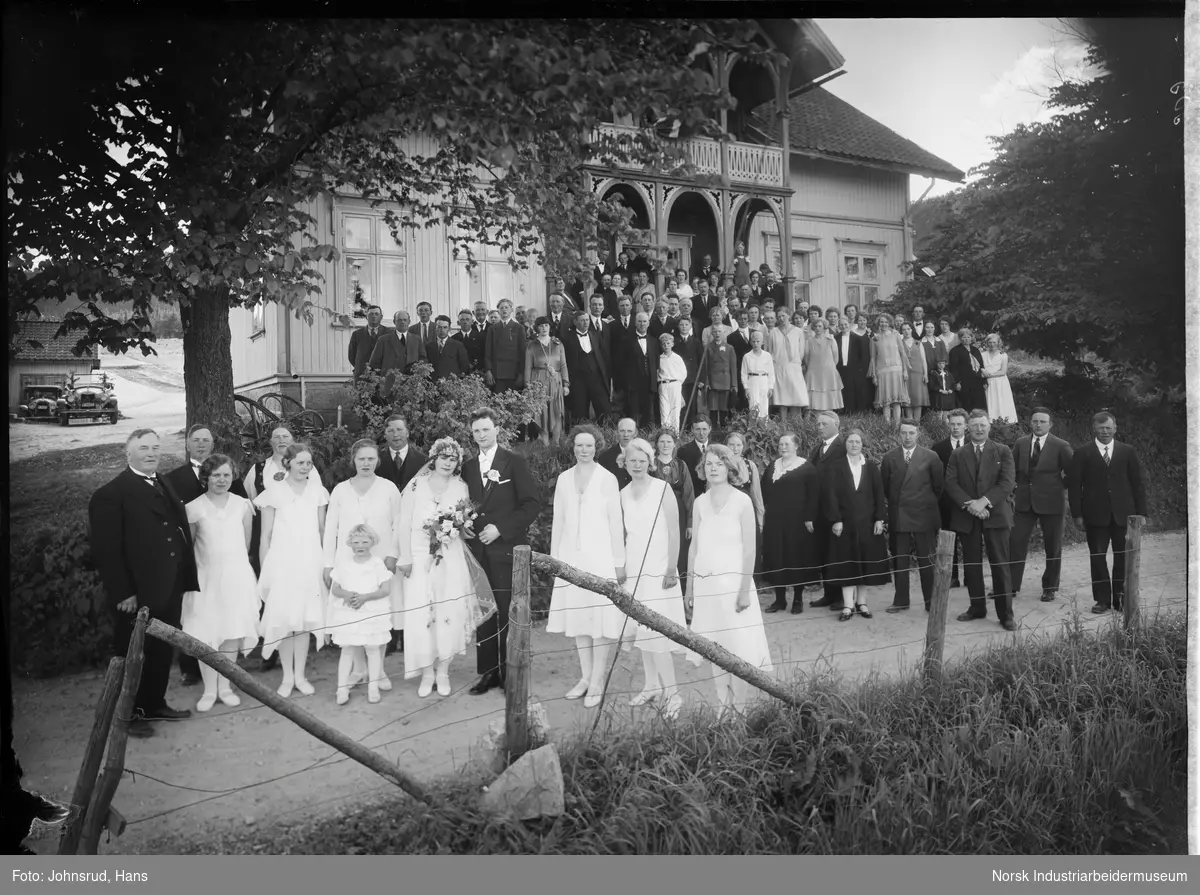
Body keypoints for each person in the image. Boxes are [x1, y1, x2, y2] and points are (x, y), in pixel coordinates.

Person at [89, 429, 199, 738]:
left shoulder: (164, 481)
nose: (151, 453)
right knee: (133, 651)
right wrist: (123, 592)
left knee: (162, 649)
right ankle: (129, 713)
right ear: (128, 454)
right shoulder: (111, 494)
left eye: (155, 447)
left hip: (169, 583)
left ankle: (154, 703)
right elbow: (106, 550)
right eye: (143, 448)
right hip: (138, 591)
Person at [397, 438, 490, 697]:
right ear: (434, 458)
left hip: (449, 555)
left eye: (453, 459)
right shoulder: (416, 485)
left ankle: (443, 672)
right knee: (422, 613)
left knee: (449, 611)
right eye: (443, 457)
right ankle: (427, 673)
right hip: (418, 555)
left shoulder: (461, 487)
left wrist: (459, 527)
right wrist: (405, 556)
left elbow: (465, 523)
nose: (448, 463)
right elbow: (404, 522)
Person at [686, 445, 773, 714]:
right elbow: (694, 547)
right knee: (714, 646)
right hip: (706, 585)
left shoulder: (742, 501)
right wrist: (689, 588)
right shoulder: (700, 502)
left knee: (738, 648)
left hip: (735, 586)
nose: (713, 468)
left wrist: (745, 589)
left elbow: (750, 549)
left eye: (719, 464)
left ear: (729, 468)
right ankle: (723, 708)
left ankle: (741, 708)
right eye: (709, 463)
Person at [463, 408, 542, 695]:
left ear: (497, 430)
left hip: (507, 550)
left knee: (510, 611)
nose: (481, 435)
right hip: (479, 554)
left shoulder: (513, 462)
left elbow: (532, 503)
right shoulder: (469, 467)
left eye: (486, 429)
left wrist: (501, 528)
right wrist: (464, 527)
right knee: (485, 612)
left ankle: (511, 672)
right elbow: (466, 506)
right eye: (476, 431)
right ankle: (489, 672)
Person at [547, 425, 627, 709]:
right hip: (571, 557)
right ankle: (584, 677)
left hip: (600, 557)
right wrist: (555, 559)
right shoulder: (564, 479)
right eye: (579, 445)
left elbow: (616, 523)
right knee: (580, 620)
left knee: (600, 621)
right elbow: (559, 520)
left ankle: (597, 681)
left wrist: (619, 562)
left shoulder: (607, 479)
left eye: (589, 445)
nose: (584, 450)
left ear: (597, 447)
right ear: (573, 447)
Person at [322, 438, 402, 692]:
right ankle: (359, 669)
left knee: (375, 615)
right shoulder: (340, 491)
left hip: (379, 563)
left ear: (377, 460)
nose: (366, 463)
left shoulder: (389, 488)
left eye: (370, 458)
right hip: (347, 562)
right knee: (351, 615)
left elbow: (398, 525)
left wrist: (392, 554)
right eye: (361, 459)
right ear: (353, 460)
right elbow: (330, 529)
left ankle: (377, 672)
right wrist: (327, 564)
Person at [181, 454, 260, 712]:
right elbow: (190, 548)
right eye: (216, 475)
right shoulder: (193, 508)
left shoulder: (242, 505)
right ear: (206, 477)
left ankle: (225, 687)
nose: (222, 480)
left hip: (236, 577)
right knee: (207, 634)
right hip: (206, 579)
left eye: (226, 475)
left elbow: (246, 544)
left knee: (231, 632)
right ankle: (209, 689)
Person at [256, 442, 330, 696]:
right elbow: (265, 535)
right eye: (300, 462)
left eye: (308, 463)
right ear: (287, 463)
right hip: (282, 563)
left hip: (310, 561)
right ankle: (287, 677)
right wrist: (266, 568)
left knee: (304, 620)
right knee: (286, 621)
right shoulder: (272, 493)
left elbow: (322, 530)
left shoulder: (318, 492)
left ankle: (300, 675)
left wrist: (325, 563)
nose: (305, 467)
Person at [619, 438, 686, 716]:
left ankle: (673, 695)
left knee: (657, 632)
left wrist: (672, 567)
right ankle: (651, 685)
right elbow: (623, 535)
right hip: (633, 569)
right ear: (625, 463)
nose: (637, 465)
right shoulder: (622, 493)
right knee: (642, 630)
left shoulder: (663, 489)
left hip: (660, 568)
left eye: (642, 460)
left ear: (651, 461)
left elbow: (674, 530)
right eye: (632, 460)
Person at [1067, 411, 1149, 614]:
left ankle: (1120, 599)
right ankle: (1102, 600)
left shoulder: (1127, 451)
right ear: (1094, 428)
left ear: (1115, 428)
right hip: (1095, 516)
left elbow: (1138, 484)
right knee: (1097, 557)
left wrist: (1142, 513)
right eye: (1101, 428)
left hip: (1124, 516)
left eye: (1108, 427)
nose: (1105, 431)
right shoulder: (1083, 452)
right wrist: (1077, 514)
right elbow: (1074, 485)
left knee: (1123, 557)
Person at [944, 410, 1017, 631]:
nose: (978, 429)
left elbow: (1007, 483)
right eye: (974, 425)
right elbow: (951, 483)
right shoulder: (958, 454)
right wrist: (972, 506)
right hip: (968, 517)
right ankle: (977, 608)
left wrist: (984, 502)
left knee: (1000, 565)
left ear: (989, 427)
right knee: (972, 565)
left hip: (995, 516)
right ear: (968, 427)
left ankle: (1006, 615)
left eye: (982, 425)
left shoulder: (1003, 451)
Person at [165, 423, 220, 686]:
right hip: (190, 556)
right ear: (187, 444)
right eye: (196, 440)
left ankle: (220, 663)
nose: (201, 444)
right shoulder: (172, 479)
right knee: (191, 610)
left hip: (219, 555)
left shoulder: (226, 473)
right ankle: (189, 666)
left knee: (217, 607)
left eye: (206, 440)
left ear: (212, 444)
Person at [823, 429, 890, 621]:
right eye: (851, 441)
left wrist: (879, 518)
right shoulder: (836, 466)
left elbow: (879, 494)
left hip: (867, 524)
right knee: (847, 564)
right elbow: (831, 495)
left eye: (857, 442)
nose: (854, 445)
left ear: (862, 445)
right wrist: (836, 520)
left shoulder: (870, 467)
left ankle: (862, 603)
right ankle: (847, 606)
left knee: (865, 564)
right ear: (846, 444)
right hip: (844, 525)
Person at [1009, 408, 1074, 602]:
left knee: (1053, 546)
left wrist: (1059, 486)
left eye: (1043, 422)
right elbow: (1011, 469)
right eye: (1035, 421)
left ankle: (1050, 587)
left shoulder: (1061, 446)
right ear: (1030, 422)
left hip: (1052, 502)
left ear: (1050, 424)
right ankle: (1011, 585)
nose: (1038, 425)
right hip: (1024, 501)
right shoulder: (1020, 443)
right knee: (1015, 542)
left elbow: (1074, 472)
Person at [880, 420, 944, 613]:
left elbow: (938, 487)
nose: (907, 437)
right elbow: (885, 488)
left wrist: (925, 504)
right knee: (900, 560)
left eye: (911, 433)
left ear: (918, 434)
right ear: (898, 435)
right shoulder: (889, 457)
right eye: (904, 433)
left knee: (927, 560)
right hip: (899, 516)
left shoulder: (931, 456)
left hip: (924, 516)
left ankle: (930, 602)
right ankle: (901, 600)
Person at [327, 524, 394, 705]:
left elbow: (385, 589)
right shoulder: (344, 564)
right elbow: (335, 589)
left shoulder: (377, 563)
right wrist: (347, 595)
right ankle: (342, 689)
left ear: (372, 542)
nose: (360, 545)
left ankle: (373, 687)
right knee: (347, 649)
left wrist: (366, 597)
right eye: (356, 542)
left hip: (371, 611)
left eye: (365, 541)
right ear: (350, 544)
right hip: (350, 612)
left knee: (372, 649)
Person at [761, 432, 820, 614]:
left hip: (797, 522)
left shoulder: (807, 468)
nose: (783, 447)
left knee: (796, 559)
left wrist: (809, 517)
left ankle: (797, 599)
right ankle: (779, 600)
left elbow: (814, 496)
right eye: (780, 444)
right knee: (777, 558)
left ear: (796, 446)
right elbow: (763, 491)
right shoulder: (772, 466)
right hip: (775, 522)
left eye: (787, 444)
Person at [809, 411, 848, 612]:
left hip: (837, 511)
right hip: (820, 512)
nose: (820, 427)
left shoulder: (843, 447)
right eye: (818, 424)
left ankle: (841, 597)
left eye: (824, 423)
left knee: (838, 554)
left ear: (836, 424)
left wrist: (840, 514)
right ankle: (828, 593)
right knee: (824, 553)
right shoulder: (817, 449)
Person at [652, 428, 695, 579]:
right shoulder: (650, 465)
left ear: (674, 444)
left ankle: (680, 584)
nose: (665, 445)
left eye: (669, 442)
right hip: (656, 512)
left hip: (679, 514)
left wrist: (690, 522)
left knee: (680, 548)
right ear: (656, 444)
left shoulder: (681, 465)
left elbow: (689, 494)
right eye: (662, 441)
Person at [562, 308, 612, 428]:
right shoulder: (567, 338)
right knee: (580, 411)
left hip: (596, 378)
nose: (586, 323)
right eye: (582, 320)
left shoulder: (595, 335)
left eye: (587, 320)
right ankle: (581, 435)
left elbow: (603, 356)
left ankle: (606, 435)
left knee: (603, 408)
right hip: (578, 380)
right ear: (575, 322)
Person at [524, 316, 570, 444]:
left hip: (555, 380)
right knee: (541, 412)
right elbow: (527, 368)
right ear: (537, 328)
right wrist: (528, 387)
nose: (544, 328)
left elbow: (563, 365)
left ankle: (555, 443)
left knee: (557, 411)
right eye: (541, 326)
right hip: (538, 380)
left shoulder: (557, 343)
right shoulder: (532, 345)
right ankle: (545, 443)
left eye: (546, 325)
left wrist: (566, 384)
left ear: (550, 327)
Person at [767, 306, 808, 426]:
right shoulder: (773, 332)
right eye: (779, 316)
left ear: (789, 316)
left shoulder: (798, 332)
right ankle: (783, 424)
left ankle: (797, 425)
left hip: (794, 367)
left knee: (796, 395)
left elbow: (801, 351)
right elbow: (770, 350)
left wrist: (795, 363)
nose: (781, 318)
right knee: (782, 397)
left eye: (783, 316)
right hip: (778, 367)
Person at [869, 313, 910, 427]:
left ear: (890, 323)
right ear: (878, 323)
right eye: (881, 322)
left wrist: (905, 370)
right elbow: (873, 358)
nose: (884, 324)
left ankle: (897, 426)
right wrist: (874, 376)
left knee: (896, 401)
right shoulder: (874, 338)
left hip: (897, 370)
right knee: (885, 402)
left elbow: (902, 353)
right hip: (882, 372)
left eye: (886, 322)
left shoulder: (896, 334)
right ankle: (887, 427)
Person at [624, 311, 660, 429]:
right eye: (639, 321)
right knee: (633, 410)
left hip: (649, 381)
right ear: (635, 323)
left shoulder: (654, 341)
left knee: (648, 410)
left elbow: (656, 362)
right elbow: (622, 362)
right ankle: (633, 432)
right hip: (633, 382)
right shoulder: (627, 340)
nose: (642, 324)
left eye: (644, 321)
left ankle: (647, 433)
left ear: (648, 323)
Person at [483, 299, 527, 393]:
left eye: (506, 307)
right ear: (498, 311)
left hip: (513, 372)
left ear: (511, 310)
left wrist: (521, 373)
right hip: (497, 373)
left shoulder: (519, 328)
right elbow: (488, 352)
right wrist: (488, 370)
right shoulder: (492, 329)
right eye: (501, 308)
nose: (504, 310)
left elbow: (522, 352)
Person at [802, 318, 843, 413]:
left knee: (828, 397)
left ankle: (829, 418)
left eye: (820, 326)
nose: (817, 328)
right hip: (814, 373)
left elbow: (835, 358)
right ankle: (816, 418)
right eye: (815, 326)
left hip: (828, 372)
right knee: (814, 398)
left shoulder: (831, 340)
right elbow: (807, 358)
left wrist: (828, 367)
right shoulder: (809, 341)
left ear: (824, 327)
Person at [700, 322, 735, 428]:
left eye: (719, 331)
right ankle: (714, 429)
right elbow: (705, 366)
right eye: (714, 331)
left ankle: (724, 430)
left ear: (724, 332)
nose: (717, 334)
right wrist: (706, 382)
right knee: (713, 408)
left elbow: (733, 368)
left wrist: (734, 385)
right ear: (711, 333)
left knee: (724, 408)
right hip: (712, 382)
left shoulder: (729, 348)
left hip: (725, 382)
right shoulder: (707, 347)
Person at [835, 317, 872, 414]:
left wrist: (860, 369)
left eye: (845, 324)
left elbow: (862, 355)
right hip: (840, 368)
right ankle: (844, 410)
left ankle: (855, 411)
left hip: (854, 368)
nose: (844, 326)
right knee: (843, 389)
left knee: (854, 389)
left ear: (849, 325)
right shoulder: (835, 338)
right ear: (838, 326)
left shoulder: (857, 338)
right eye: (841, 325)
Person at [368, 310, 422, 378]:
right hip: (389, 382)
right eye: (399, 320)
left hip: (412, 382)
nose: (402, 322)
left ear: (409, 322)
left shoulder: (417, 340)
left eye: (405, 320)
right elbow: (374, 363)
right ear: (394, 322)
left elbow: (423, 360)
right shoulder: (383, 340)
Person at [948, 328, 987, 416]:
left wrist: (984, 381)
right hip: (964, 382)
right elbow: (953, 368)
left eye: (968, 337)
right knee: (966, 405)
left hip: (977, 382)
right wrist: (957, 382)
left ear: (971, 338)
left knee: (979, 406)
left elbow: (981, 366)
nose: (966, 339)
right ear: (960, 338)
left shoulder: (975, 350)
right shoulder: (955, 351)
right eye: (964, 337)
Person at [981, 333, 1017, 423]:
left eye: (994, 342)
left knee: (1001, 402)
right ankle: (991, 423)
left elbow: (1003, 372)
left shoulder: (1003, 355)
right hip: (987, 383)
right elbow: (980, 367)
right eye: (990, 342)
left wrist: (989, 375)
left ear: (998, 343)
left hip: (1000, 383)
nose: (992, 344)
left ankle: (1004, 423)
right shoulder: (983, 354)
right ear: (987, 343)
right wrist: (982, 372)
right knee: (990, 403)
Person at [655, 333, 688, 432]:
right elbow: (657, 372)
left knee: (675, 409)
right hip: (663, 384)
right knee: (664, 410)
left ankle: (675, 433)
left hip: (675, 384)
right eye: (664, 344)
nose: (666, 346)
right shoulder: (659, 358)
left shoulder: (677, 358)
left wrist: (678, 384)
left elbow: (683, 373)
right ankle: (665, 432)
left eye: (668, 343)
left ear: (672, 344)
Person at [677, 415, 715, 499]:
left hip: (715, 496)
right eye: (698, 429)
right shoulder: (683, 451)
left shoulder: (717, 449)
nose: (701, 433)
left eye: (704, 429)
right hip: (693, 497)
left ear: (710, 429)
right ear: (692, 430)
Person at [740, 328, 775, 419]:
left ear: (762, 342)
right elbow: (743, 373)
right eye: (754, 341)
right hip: (752, 380)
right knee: (753, 405)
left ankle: (764, 428)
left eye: (758, 341)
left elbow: (771, 372)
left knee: (764, 406)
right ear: (751, 342)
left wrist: (770, 387)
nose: (756, 344)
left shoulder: (767, 356)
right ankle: (753, 429)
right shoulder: (747, 356)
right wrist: (746, 388)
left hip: (764, 380)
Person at [425, 315, 471, 380]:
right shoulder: (428, 346)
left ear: (449, 328)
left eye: (445, 327)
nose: (442, 330)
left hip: (451, 384)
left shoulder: (458, 345)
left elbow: (464, 366)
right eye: (439, 327)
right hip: (432, 384)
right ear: (435, 328)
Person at [900, 322, 929, 421]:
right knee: (907, 399)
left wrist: (925, 374)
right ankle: (909, 422)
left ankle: (917, 424)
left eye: (908, 329)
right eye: (904, 329)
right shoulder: (899, 343)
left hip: (918, 374)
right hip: (905, 374)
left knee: (917, 399)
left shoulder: (918, 343)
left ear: (912, 330)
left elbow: (923, 360)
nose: (906, 331)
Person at [597, 416, 637, 489]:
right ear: (617, 432)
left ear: (635, 433)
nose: (626, 435)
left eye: (629, 431)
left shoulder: (643, 456)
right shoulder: (605, 457)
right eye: (622, 431)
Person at [349, 305, 385, 380]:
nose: (374, 316)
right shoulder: (357, 334)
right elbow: (352, 356)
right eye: (371, 314)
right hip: (362, 376)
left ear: (381, 317)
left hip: (382, 376)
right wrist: (361, 368)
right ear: (366, 317)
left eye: (376, 314)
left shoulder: (389, 333)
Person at [452, 308, 486, 373]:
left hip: (477, 372)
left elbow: (484, 355)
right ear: (458, 322)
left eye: (467, 319)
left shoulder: (481, 337)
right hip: (459, 373)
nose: (465, 322)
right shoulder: (453, 338)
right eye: (462, 320)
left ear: (472, 321)